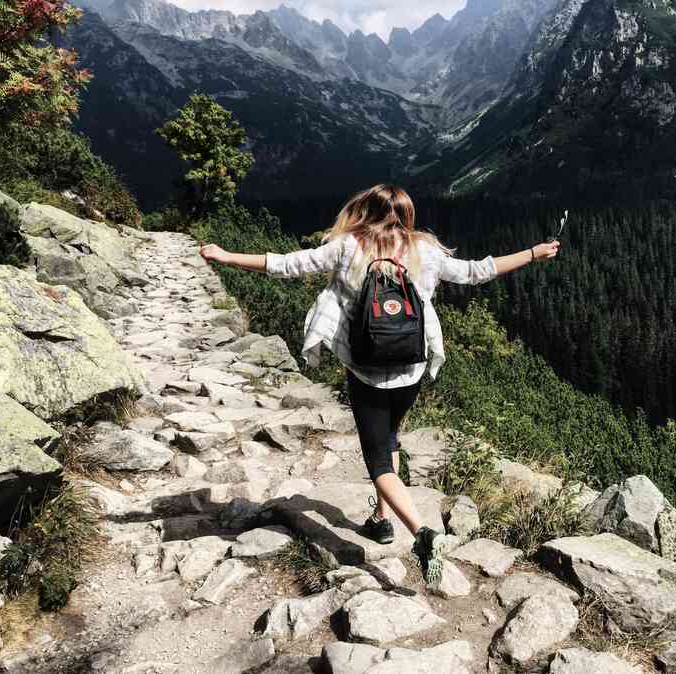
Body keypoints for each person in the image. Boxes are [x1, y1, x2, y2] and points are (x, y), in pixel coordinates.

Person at [199, 184, 560, 582]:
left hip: (366, 372)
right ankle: (380, 519)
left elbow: (287, 264)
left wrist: (227, 256)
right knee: (391, 439)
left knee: (377, 460)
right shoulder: (425, 250)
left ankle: (422, 533)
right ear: (407, 215)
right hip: (410, 367)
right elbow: (477, 271)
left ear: (365, 211)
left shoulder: (346, 246)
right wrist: (533, 253)